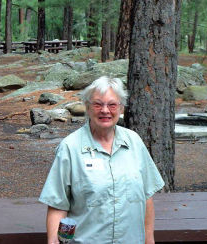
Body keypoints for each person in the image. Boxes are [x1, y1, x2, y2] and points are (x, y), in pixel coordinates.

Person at [39, 76, 165, 244]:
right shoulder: (70, 147)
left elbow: (146, 198)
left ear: (121, 108)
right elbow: (58, 204)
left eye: (112, 105)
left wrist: (149, 240)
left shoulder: (134, 142)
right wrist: (53, 241)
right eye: (98, 104)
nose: (105, 110)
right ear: (87, 108)